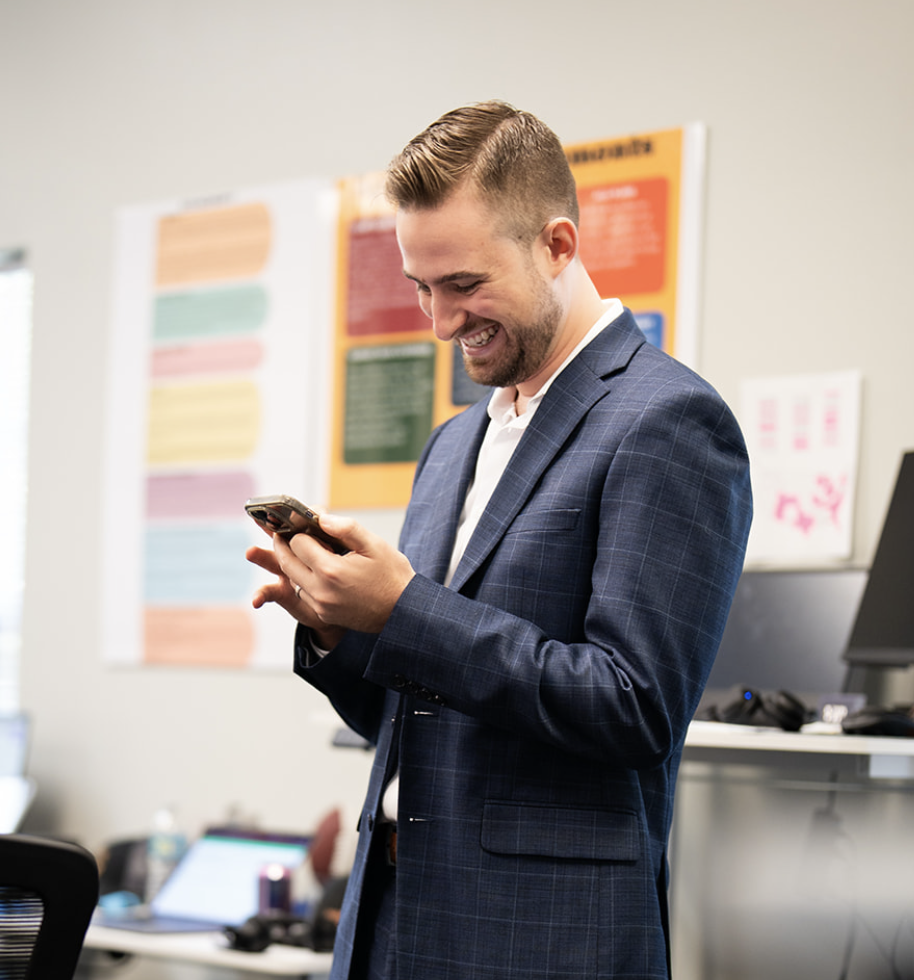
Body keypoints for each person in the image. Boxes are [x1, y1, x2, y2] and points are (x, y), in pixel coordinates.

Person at [246, 100, 752, 980]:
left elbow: (633, 707)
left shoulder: (668, 421)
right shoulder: (452, 445)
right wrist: (340, 628)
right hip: (394, 919)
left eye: (465, 285)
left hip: (543, 940)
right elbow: (415, 716)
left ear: (557, 245)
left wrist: (405, 610)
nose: (441, 324)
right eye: (420, 288)